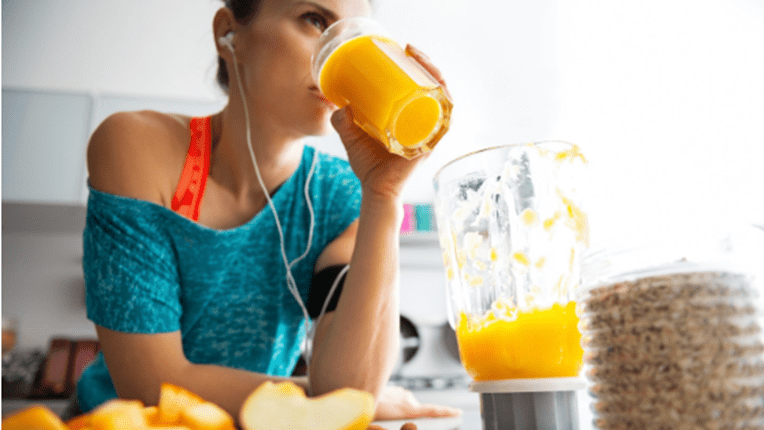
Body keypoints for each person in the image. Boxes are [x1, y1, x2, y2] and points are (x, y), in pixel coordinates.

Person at [75, 0, 459, 424]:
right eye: (315, 20)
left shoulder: (342, 195)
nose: (340, 52)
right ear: (229, 33)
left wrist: (384, 196)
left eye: (357, 35)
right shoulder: (136, 146)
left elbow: (347, 385)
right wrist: (317, 398)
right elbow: (150, 385)